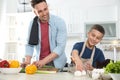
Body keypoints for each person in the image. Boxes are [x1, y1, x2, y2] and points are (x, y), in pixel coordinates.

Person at [22, 0, 67, 70]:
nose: (44, 13)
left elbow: (60, 47)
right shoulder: (33, 24)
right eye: (40, 11)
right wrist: (27, 61)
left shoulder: (59, 22)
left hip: (57, 64)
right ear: (35, 13)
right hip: (40, 63)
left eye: (45, 9)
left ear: (47, 7)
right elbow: (30, 44)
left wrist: (43, 61)